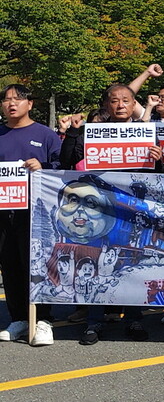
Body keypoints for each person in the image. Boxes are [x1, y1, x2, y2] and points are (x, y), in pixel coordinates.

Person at [59, 83, 163, 345]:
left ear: (133, 104)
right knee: (95, 265)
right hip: (97, 210)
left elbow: (153, 175)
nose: (120, 106)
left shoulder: (144, 132)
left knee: (131, 264)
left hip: (129, 211)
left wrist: (157, 158)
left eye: (126, 101)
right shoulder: (90, 133)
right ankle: (94, 322)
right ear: (106, 105)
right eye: (114, 101)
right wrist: (73, 132)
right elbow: (66, 161)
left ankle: (134, 319)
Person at [0, 84, 62, 346]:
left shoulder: (45, 135)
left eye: (18, 99)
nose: (11, 103)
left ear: (30, 104)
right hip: (4, 213)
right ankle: (19, 319)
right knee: (11, 266)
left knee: (38, 265)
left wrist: (43, 166)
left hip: (37, 214)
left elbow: (63, 168)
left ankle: (44, 319)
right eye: (6, 99)